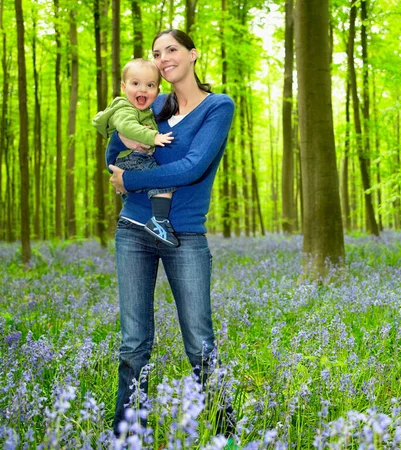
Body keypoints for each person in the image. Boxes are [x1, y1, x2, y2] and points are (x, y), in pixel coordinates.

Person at [105, 29, 235, 439]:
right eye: (157, 53)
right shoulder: (151, 103)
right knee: (133, 345)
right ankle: (128, 437)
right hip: (133, 231)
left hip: (187, 236)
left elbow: (193, 167)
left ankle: (225, 435)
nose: (163, 58)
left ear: (193, 54)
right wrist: (122, 166)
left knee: (200, 343)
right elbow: (113, 155)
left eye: (172, 50)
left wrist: (133, 180)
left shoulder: (218, 107)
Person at [93, 58, 180, 247]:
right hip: (130, 158)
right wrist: (153, 137)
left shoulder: (147, 110)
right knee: (163, 183)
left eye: (150, 85)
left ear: (158, 91)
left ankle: (139, 203)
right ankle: (159, 221)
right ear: (123, 87)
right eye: (135, 83)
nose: (142, 89)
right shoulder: (124, 109)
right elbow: (127, 127)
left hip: (131, 158)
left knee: (141, 186)